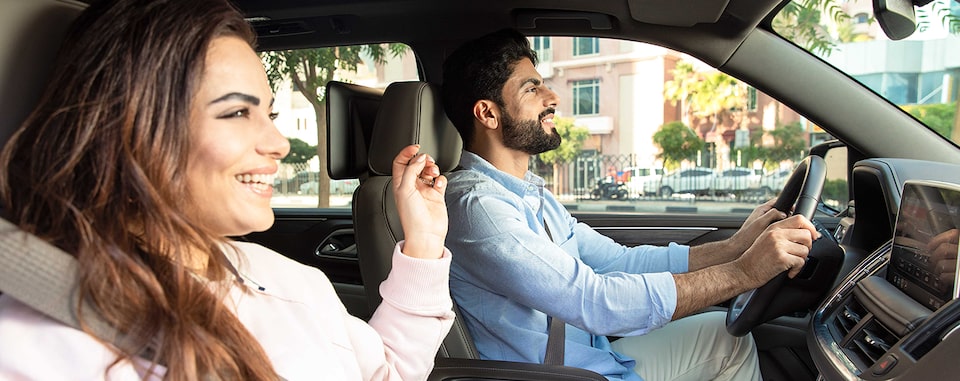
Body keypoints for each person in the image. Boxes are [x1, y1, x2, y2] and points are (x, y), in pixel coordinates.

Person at [0, 0, 453, 380]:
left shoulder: (291, 280)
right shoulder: (33, 346)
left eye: (270, 114)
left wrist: (425, 242)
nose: (278, 144)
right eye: (237, 113)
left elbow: (385, 373)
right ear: (128, 132)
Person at [440, 28, 819, 381]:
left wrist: (736, 248)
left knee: (724, 337)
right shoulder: (478, 206)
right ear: (488, 113)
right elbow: (595, 301)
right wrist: (743, 273)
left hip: (590, 357)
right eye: (531, 89)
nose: (552, 98)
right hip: (562, 375)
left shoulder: (530, 194)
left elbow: (619, 262)